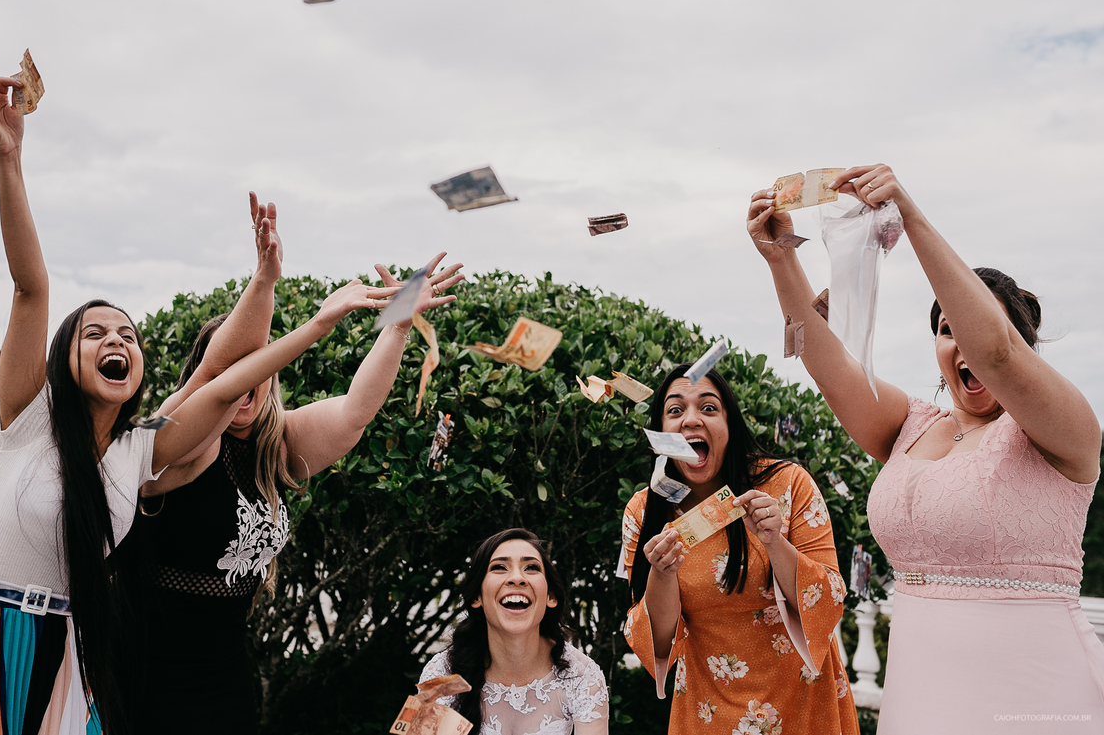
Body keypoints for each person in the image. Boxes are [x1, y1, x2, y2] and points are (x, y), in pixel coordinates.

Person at [0, 52, 398, 735]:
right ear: (62, 358)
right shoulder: (26, 418)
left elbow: (229, 375)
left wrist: (299, 305)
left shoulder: (144, 450)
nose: (117, 340)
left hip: (64, 654)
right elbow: (30, 286)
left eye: (130, 334)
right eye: (95, 332)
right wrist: (8, 160)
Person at [747, 163, 1104, 731]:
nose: (959, 342)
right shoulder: (911, 426)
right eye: (944, 330)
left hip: (1034, 694)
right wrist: (782, 259)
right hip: (920, 695)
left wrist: (907, 217)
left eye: (973, 326)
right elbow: (831, 367)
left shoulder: (1065, 430)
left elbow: (997, 354)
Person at [122, 205, 464, 734]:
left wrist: (396, 327)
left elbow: (354, 413)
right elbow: (215, 380)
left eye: (256, 367)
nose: (243, 381)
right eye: (234, 369)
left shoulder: (273, 446)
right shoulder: (177, 441)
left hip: (226, 675)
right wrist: (268, 285)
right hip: (149, 673)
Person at [619, 365, 857, 734]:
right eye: (675, 410)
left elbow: (829, 599)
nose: (690, 420)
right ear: (660, 434)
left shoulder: (788, 484)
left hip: (802, 694)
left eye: (709, 408)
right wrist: (662, 574)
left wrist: (774, 541)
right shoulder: (643, 512)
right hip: (707, 704)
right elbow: (658, 641)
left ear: (731, 427)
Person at [420, 528, 609, 735]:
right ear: (476, 598)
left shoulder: (583, 676)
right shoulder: (440, 673)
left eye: (531, 568)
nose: (517, 578)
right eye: (500, 567)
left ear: (551, 597)